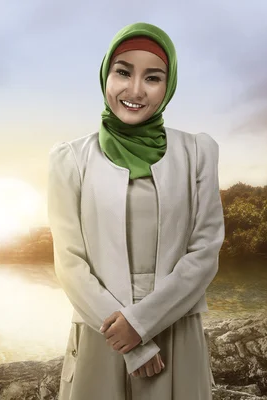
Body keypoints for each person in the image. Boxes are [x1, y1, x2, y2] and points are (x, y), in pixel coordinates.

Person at [47, 22, 225, 399]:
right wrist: (132, 341)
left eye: (153, 77)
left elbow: (205, 252)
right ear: (106, 75)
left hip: (176, 326)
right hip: (101, 332)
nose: (135, 90)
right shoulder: (70, 160)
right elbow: (70, 263)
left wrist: (141, 323)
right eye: (123, 72)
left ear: (169, 84)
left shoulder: (197, 153)